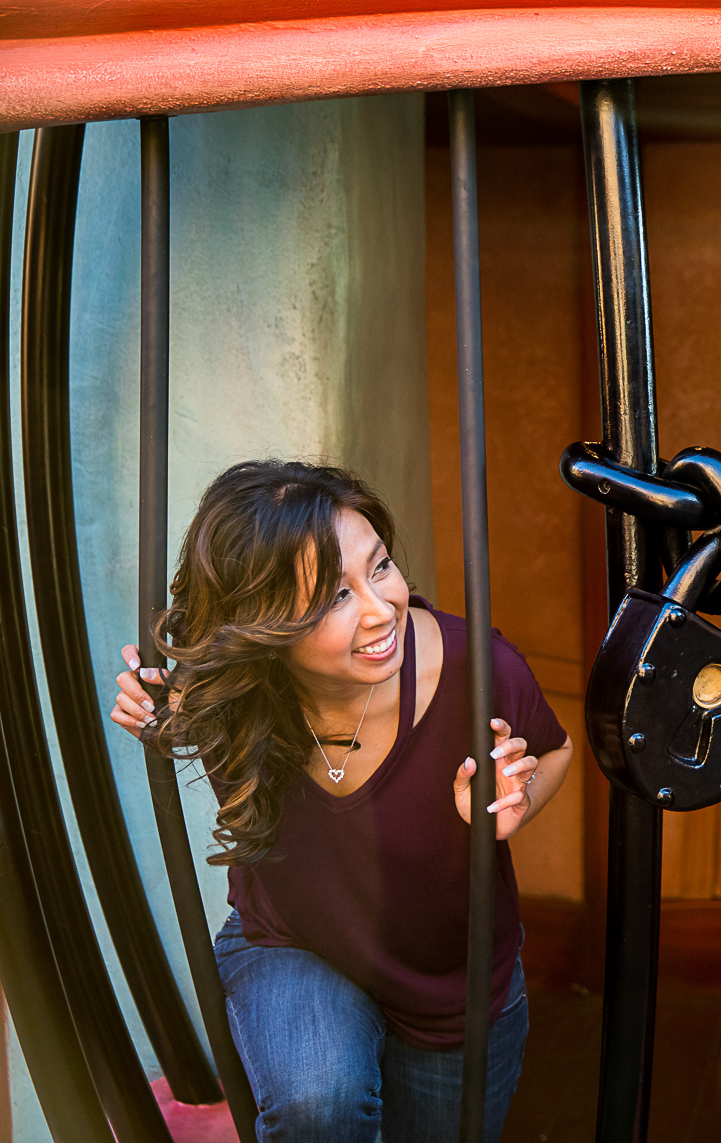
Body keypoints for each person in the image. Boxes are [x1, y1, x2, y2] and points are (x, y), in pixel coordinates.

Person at [111, 460, 575, 1143]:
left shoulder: (478, 671)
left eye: (379, 567)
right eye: (332, 598)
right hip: (295, 945)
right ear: (262, 623)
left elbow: (555, 750)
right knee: (315, 1103)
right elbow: (172, 698)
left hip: (449, 980)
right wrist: (148, 708)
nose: (381, 607)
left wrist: (515, 803)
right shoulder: (231, 692)